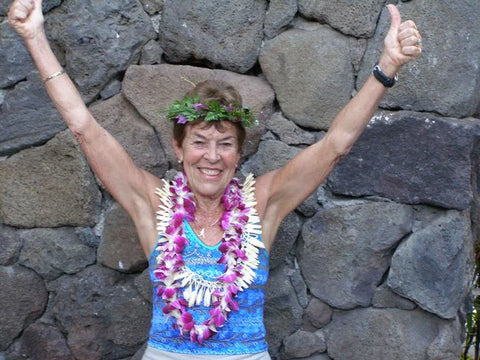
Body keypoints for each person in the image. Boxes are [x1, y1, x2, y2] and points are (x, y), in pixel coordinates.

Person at [8, 0, 422, 359]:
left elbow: (336, 145)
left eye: (225, 143)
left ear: (238, 154)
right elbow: (85, 128)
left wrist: (386, 68)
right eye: (199, 142)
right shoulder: (153, 204)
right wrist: (34, 38)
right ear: (179, 149)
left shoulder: (263, 203)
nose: (211, 156)